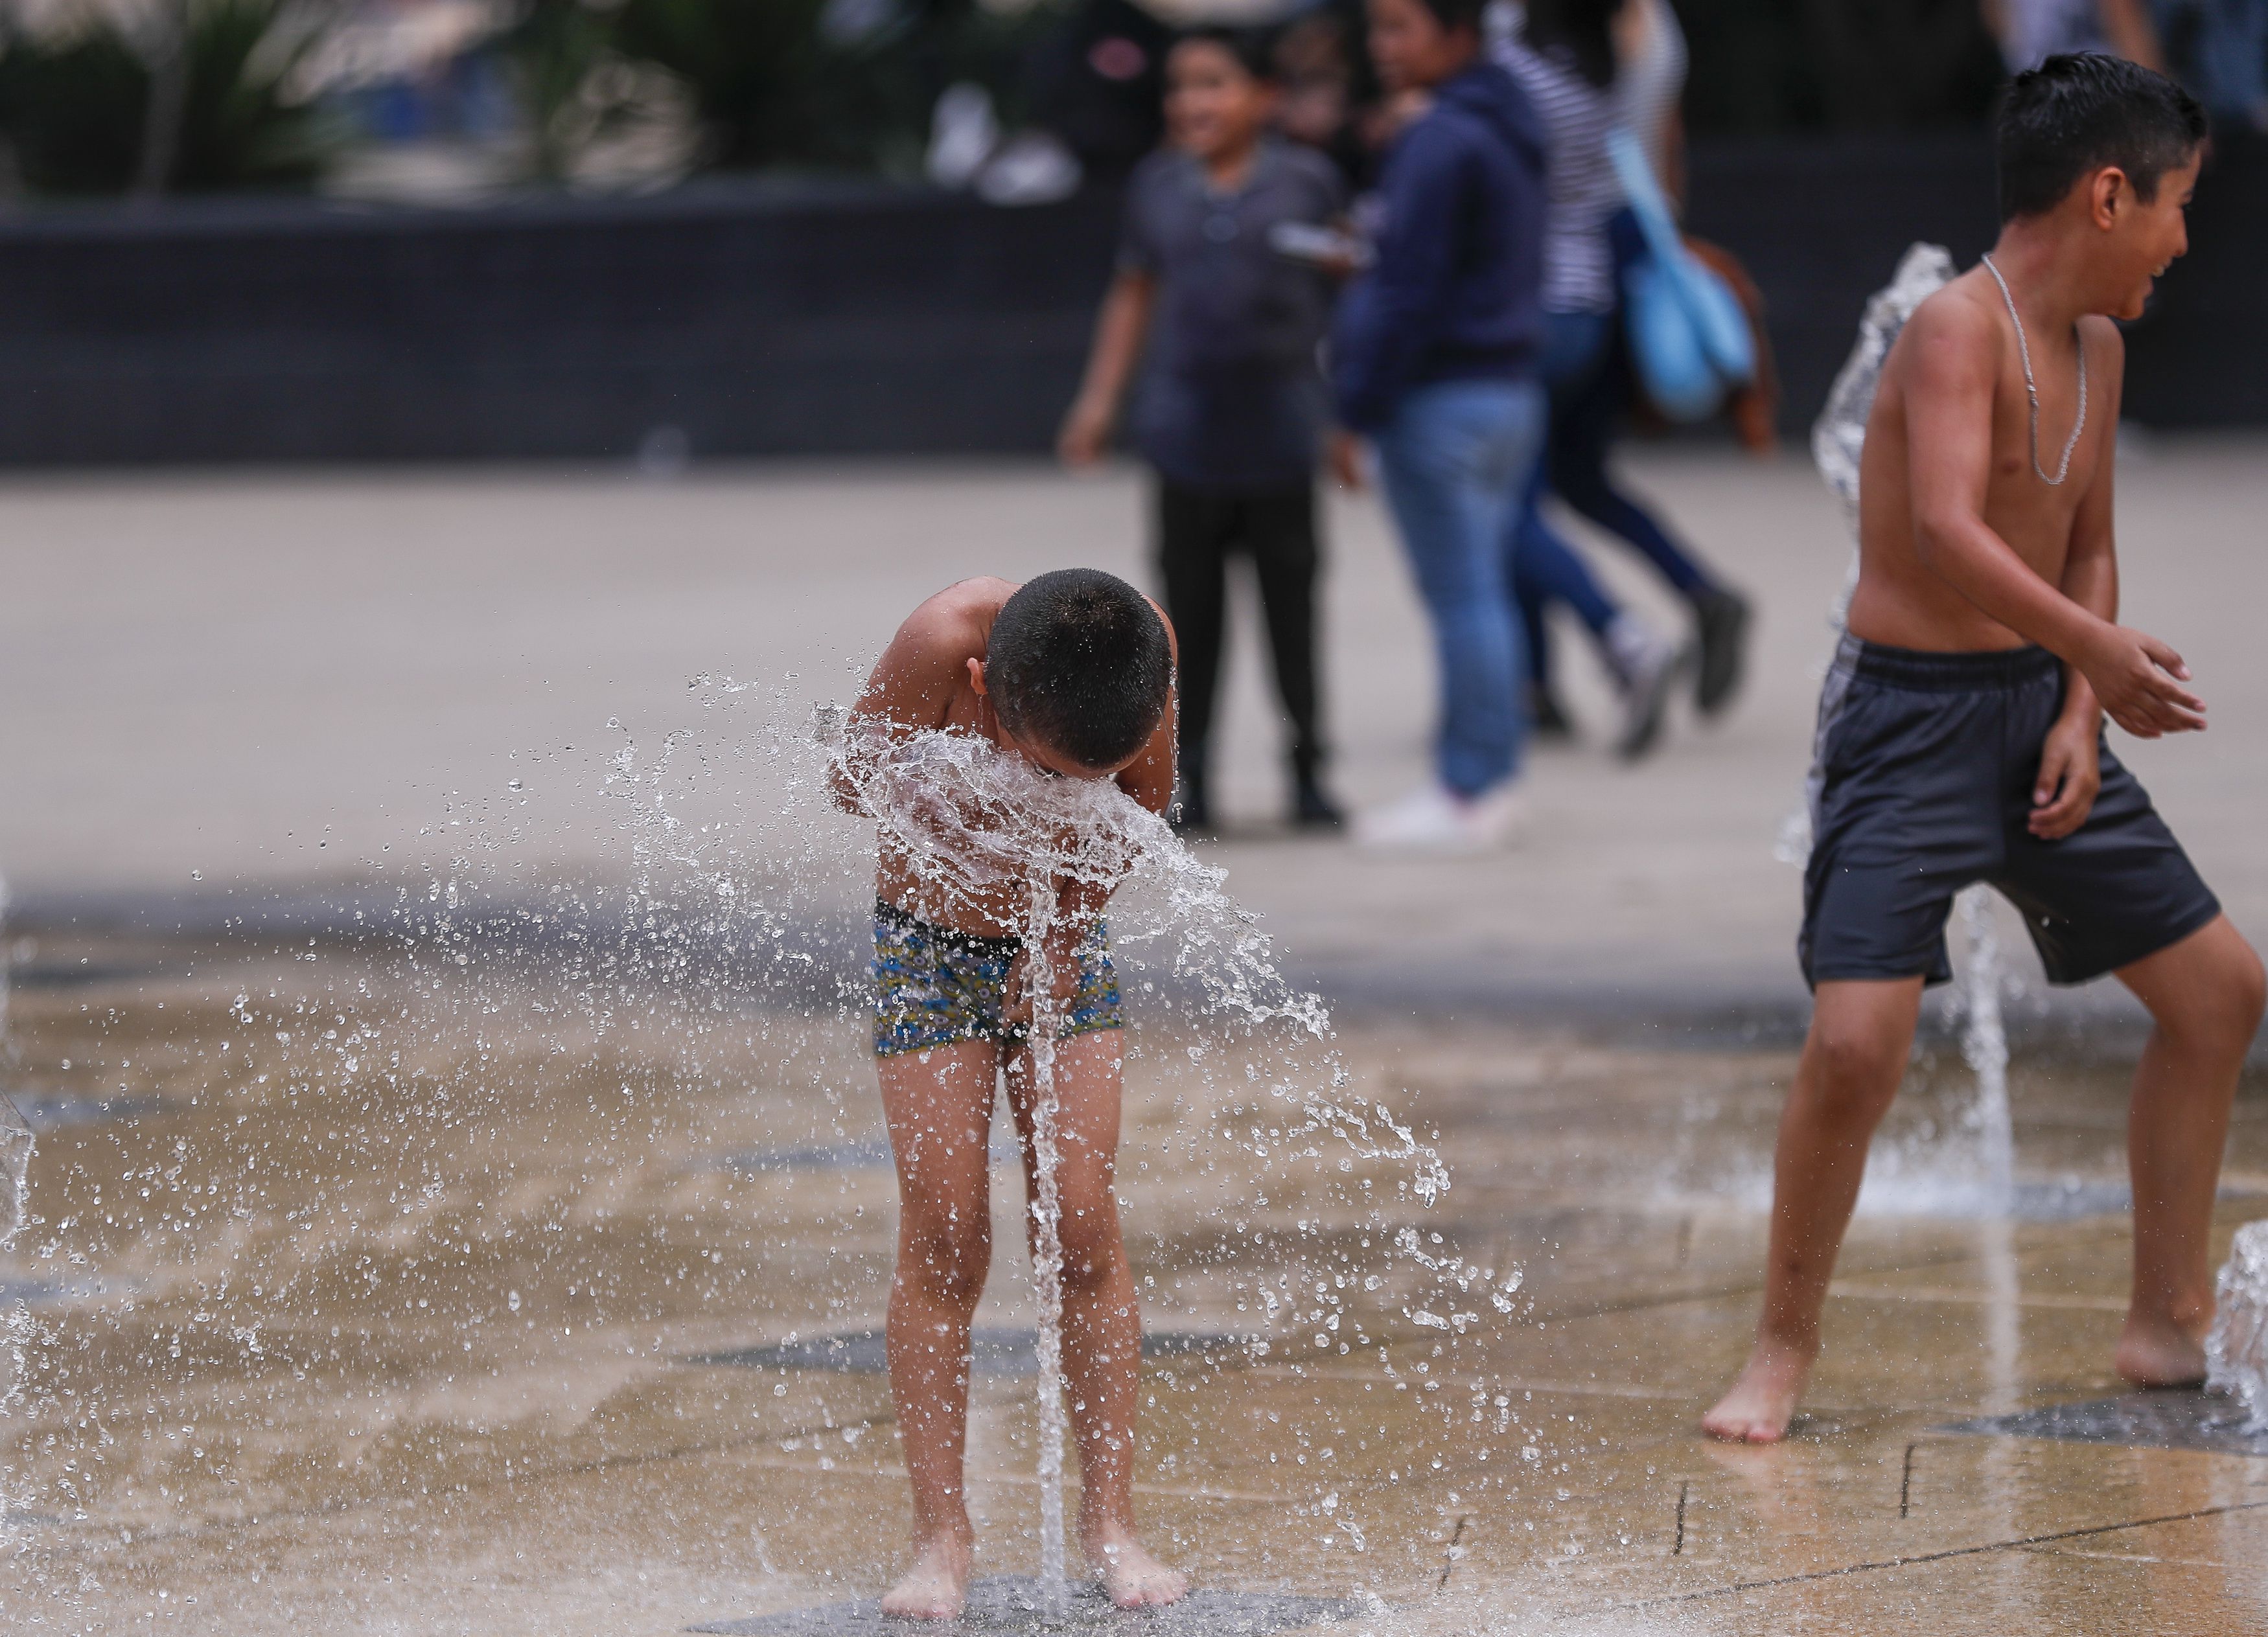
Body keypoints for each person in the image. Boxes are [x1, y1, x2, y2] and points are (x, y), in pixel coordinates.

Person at [1704, 55, 2265, 1444]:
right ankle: (1779, 1349)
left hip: (2034, 716)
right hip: (1903, 726)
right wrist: (2098, 651)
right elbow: (1949, 532)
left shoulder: (2103, 345)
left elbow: (2091, 539)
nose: (2184, 244)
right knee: (1854, 1043)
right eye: (2178, 208)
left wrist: (2078, 701)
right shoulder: (1955, 328)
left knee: (2218, 993)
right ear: (2108, 190)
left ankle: (2163, 1318)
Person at [831, 571, 1187, 1614]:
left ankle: (1112, 1524)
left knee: (1082, 1225)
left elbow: (1149, 804)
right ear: (983, 689)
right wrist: (955, 791)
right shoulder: (943, 639)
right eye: (1047, 769)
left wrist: (1068, 929)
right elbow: (851, 782)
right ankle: (941, 1535)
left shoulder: (1139, 650)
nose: (1067, 791)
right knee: (946, 1234)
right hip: (929, 949)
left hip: (1062, 944)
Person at [1060, 27, 1347, 834]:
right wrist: (1097, 400)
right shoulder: (1155, 187)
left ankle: (1309, 769)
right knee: (1186, 625)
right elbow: (1132, 295)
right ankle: (1189, 777)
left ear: (1264, 96)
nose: (1194, 101)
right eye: (1181, 85)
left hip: (1283, 438)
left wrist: (1347, 419)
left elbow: (1347, 295)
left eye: (1215, 82)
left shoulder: (1307, 182)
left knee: (1291, 612)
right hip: (1184, 439)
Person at [1496, 0, 1752, 759]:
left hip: (1547, 272)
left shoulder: (1524, 30)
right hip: (1621, 257)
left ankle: (1570, 668)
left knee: (1511, 494)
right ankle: (1700, 592)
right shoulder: (1652, 30)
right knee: (1573, 478)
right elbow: (1663, 148)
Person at [1332, 0, 1547, 852]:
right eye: (1377, 29)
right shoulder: (1508, 123)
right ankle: (1487, 776)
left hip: (1441, 399)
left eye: (1399, 29)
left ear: (1456, 34)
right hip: (1506, 392)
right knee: (1482, 590)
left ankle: (1471, 786)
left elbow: (1407, 290)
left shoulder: (1441, 137)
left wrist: (1355, 404)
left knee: (1464, 598)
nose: (1381, 48)